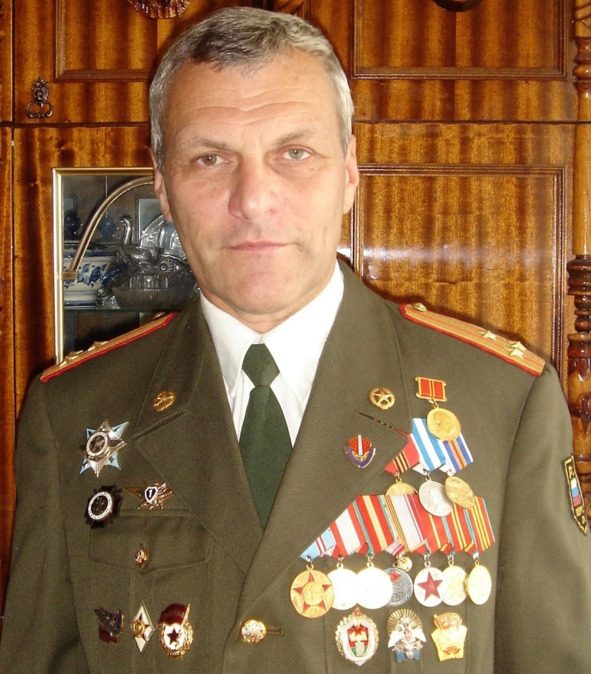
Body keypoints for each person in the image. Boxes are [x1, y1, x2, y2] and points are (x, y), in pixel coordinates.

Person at [1, 7, 590, 673]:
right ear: (163, 189)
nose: (253, 198)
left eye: (294, 153)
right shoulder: (74, 413)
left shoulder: (502, 404)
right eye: (209, 158)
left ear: (348, 173)